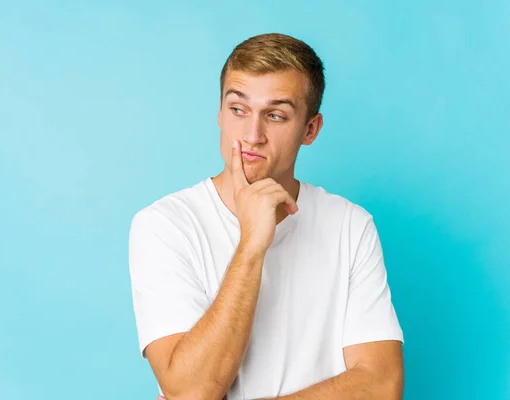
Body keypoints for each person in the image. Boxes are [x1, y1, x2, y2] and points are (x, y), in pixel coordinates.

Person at [128, 32, 404, 400]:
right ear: (220, 115)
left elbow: (382, 385)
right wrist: (252, 245)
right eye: (238, 109)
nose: (252, 134)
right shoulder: (164, 225)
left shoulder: (350, 225)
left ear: (310, 129)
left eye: (275, 115)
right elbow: (191, 391)